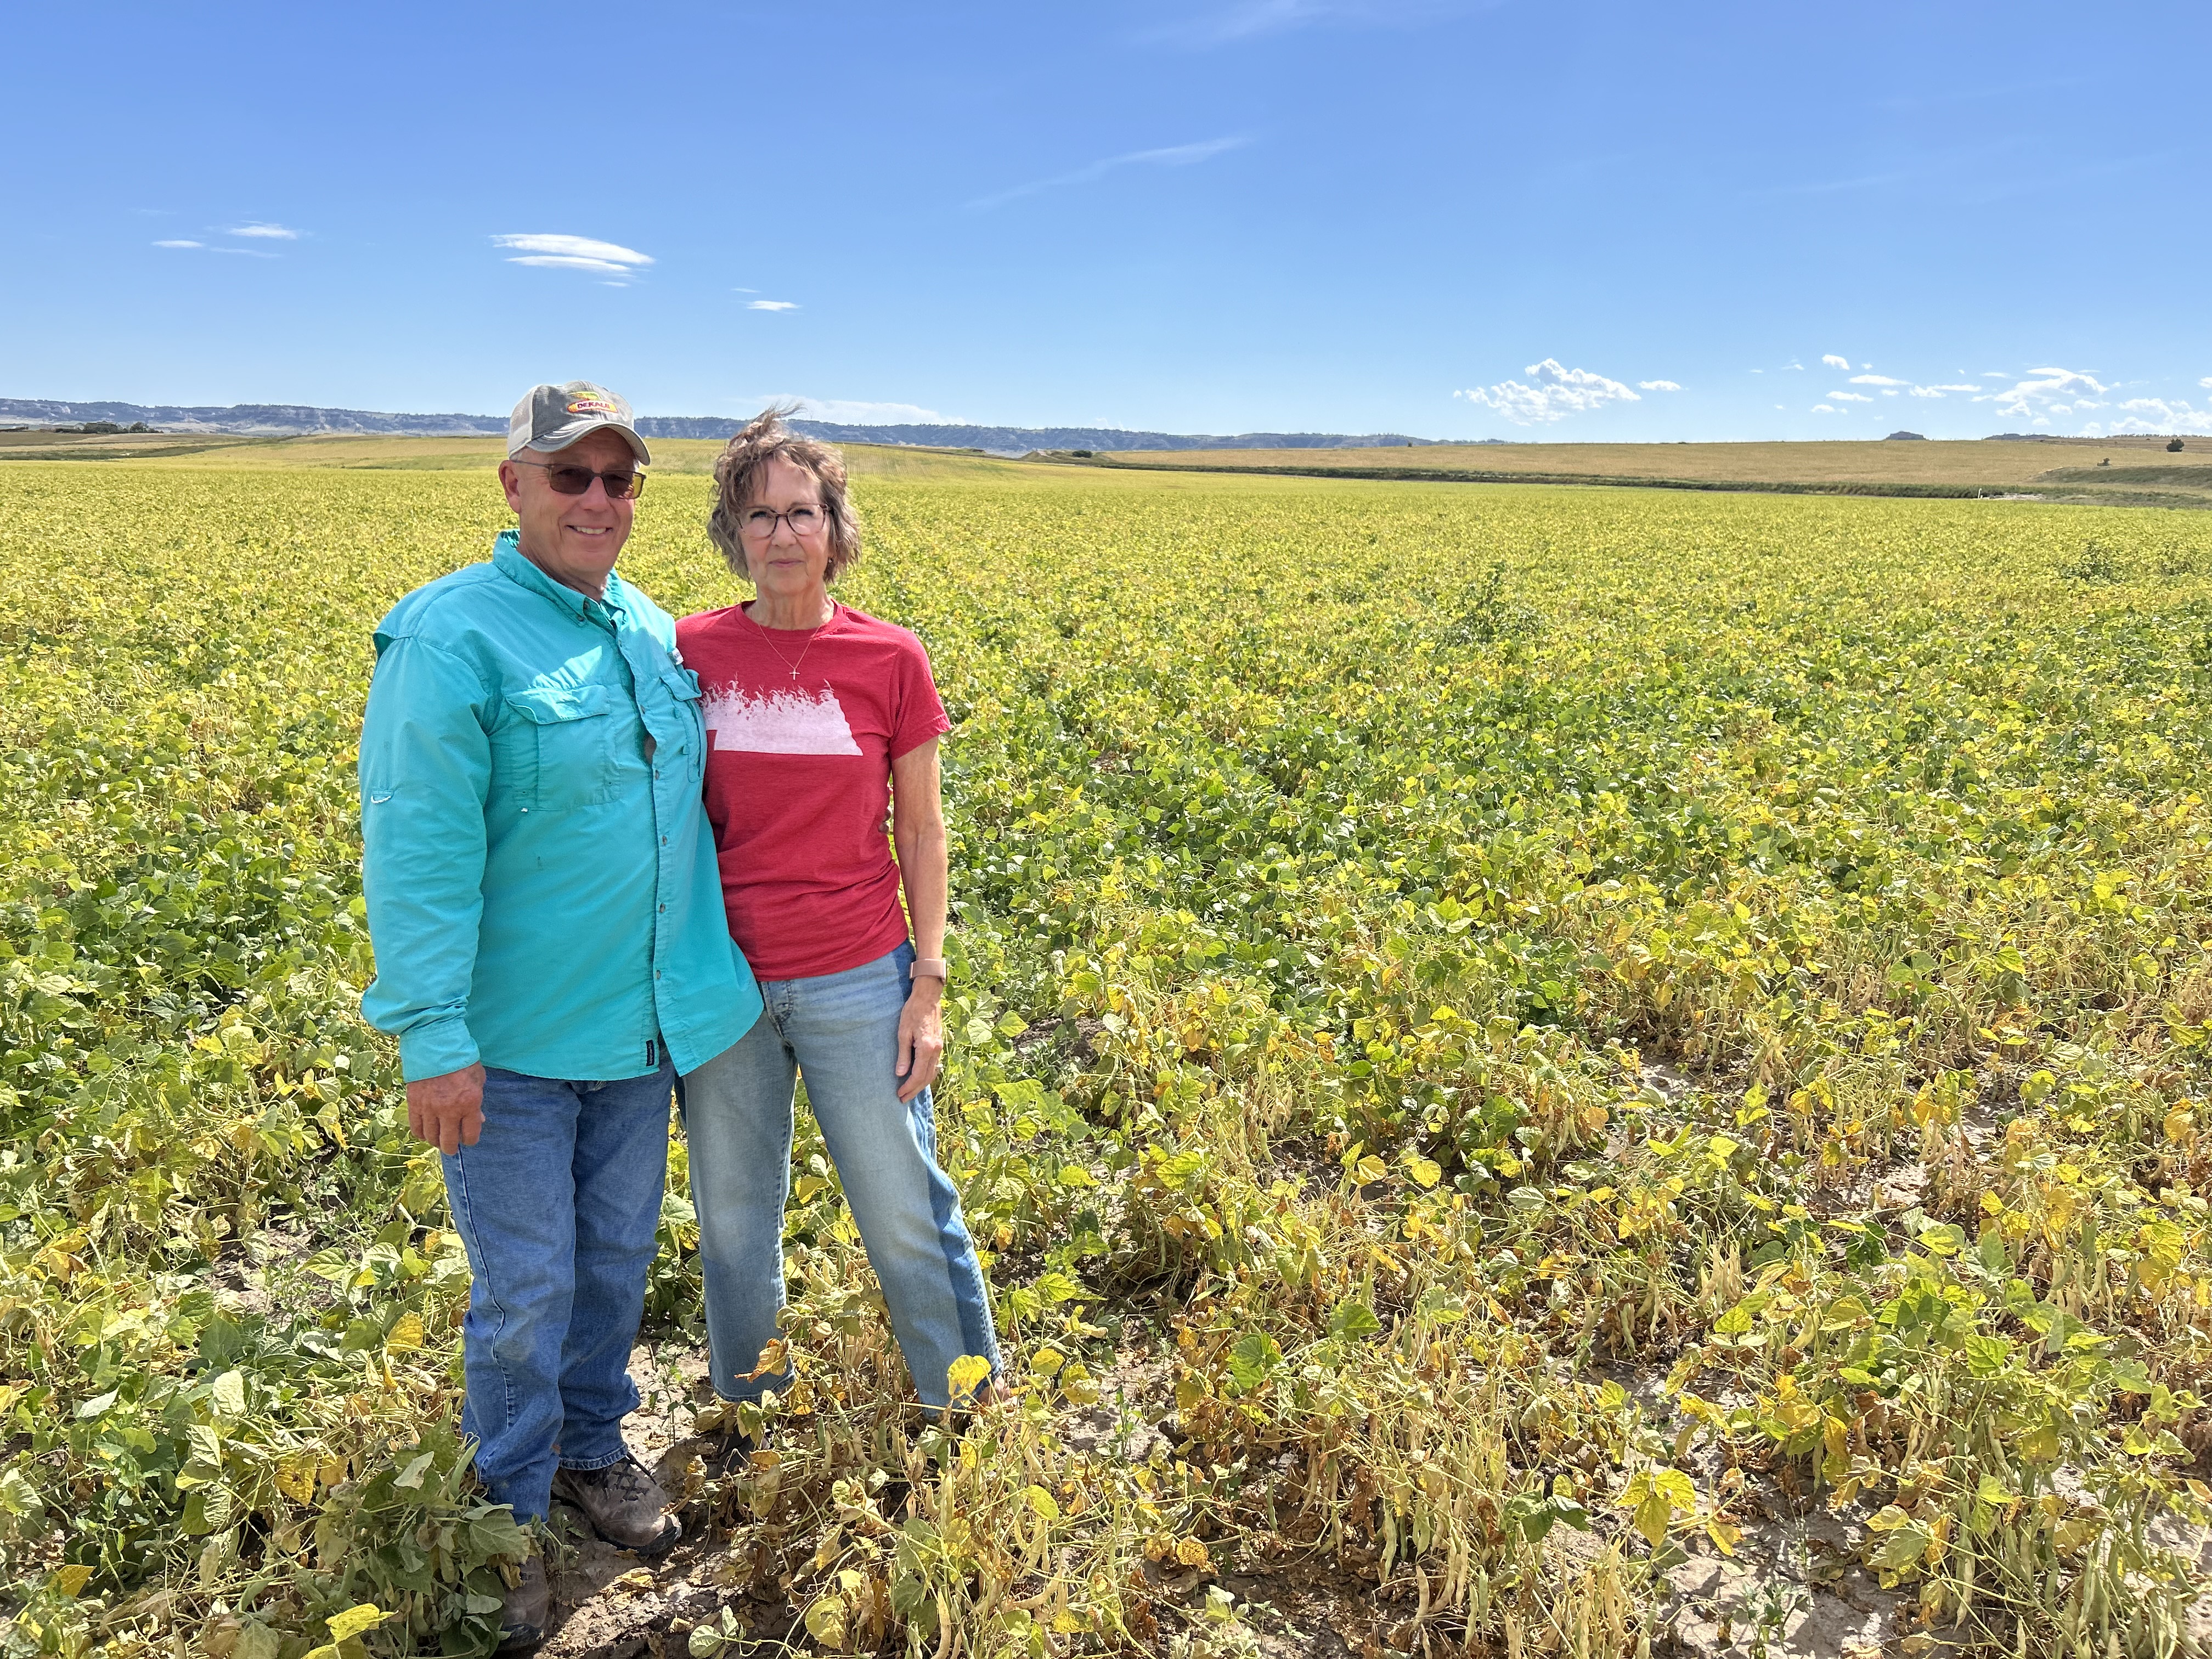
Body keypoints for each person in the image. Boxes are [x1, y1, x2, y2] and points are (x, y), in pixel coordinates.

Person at [358, 382, 762, 1651]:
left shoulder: (648, 630)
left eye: (619, 480)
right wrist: (434, 1035)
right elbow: (416, 848)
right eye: (571, 477)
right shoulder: (450, 638)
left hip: (636, 1038)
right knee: (524, 1288)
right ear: (514, 487)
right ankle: (510, 1511)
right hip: (511, 1045)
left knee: (613, 1266)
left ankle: (594, 1449)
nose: (598, 500)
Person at [676, 408, 1002, 1420]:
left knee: (905, 1207)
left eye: (802, 512)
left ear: (835, 527)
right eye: (759, 514)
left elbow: (924, 832)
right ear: (734, 531)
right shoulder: (687, 653)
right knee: (732, 1223)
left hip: (861, 973)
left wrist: (929, 987)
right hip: (722, 984)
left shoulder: (890, 658)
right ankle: (755, 1411)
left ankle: (964, 1412)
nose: (782, 534)